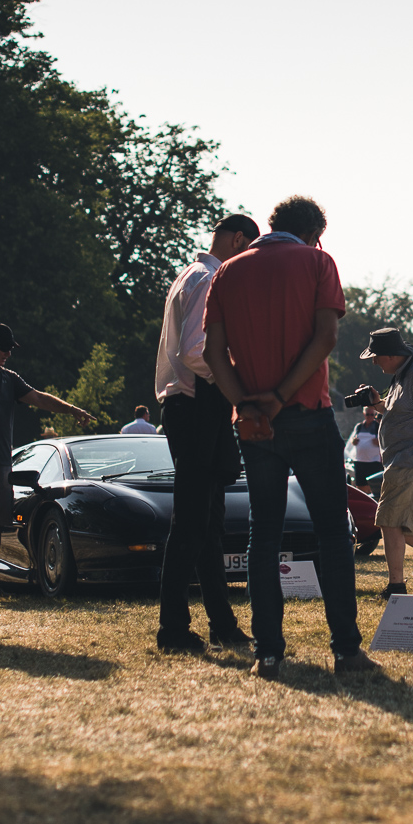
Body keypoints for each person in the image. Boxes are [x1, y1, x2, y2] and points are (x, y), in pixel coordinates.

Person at [202, 195, 373, 680]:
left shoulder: (228, 271)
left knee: (264, 534)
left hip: (255, 424)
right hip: (307, 414)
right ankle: (346, 651)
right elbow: (325, 339)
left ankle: (269, 653)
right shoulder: (318, 261)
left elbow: (214, 354)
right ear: (315, 232)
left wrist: (249, 404)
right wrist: (279, 396)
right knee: (333, 534)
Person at [148, 214, 259, 654]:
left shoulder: (192, 276)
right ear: (236, 240)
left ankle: (221, 624)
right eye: (249, 250)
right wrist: (238, 385)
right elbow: (195, 352)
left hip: (197, 405)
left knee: (207, 523)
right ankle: (172, 629)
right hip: (196, 403)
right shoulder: (208, 279)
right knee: (193, 522)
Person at [0, 322, 95, 597]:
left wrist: (71, 409)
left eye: (11, 348)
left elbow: (39, 398)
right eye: (3, 347)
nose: (8, 353)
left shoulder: (9, 379)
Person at [360, 328, 413, 597]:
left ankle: (396, 586)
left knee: (389, 521)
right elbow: (403, 413)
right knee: (404, 527)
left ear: (392, 355)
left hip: (409, 461)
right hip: (401, 461)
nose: (374, 361)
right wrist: (377, 404)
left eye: (376, 356)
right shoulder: (403, 374)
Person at [348, 409, 383, 490]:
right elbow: (352, 440)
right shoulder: (359, 426)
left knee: (373, 486)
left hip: (373, 462)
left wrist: (378, 442)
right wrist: (354, 441)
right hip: (359, 461)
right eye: (368, 414)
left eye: (372, 415)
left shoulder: (378, 426)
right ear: (364, 414)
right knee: (360, 486)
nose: (369, 416)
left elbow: (385, 441)